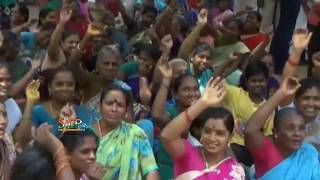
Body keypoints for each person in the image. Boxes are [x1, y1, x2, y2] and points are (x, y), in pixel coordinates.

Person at [161, 77, 245, 179]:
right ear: (201, 132)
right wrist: (203, 102)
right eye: (207, 131)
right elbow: (167, 136)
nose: (212, 138)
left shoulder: (235, 171)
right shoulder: (187, 154)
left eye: (220, 133)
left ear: (230, 137)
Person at [244, 76, 320, 179]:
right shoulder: (267, 153)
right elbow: (250, 131)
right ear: (276, 132)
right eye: (290, 128)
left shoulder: (309, 153)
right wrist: (281, 93)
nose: (297, 133)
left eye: (301, 128)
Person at [92, 83, 159, 179]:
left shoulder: (135, 133)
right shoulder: (86, 130)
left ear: (126, 111)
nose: (114, 109)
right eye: (109, 103)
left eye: (119, 105)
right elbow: (64, 124)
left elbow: (150, 169)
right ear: (99, 106)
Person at [226, 61, 274, 167]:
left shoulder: (269, 107)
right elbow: (215, 81)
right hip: (235, 147)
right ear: (247, 82)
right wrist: (229, 62)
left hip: (255, 151)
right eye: (253, 81)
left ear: (267, 81)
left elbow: (268, 136)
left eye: (261, 81)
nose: (257, 84)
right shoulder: (236, 94)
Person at [32, 65, 92, 137]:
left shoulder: (84, 113)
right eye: (59, 84)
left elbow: (85, 141)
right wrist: (30, 102)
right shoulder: (38, 111)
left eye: (70, 84)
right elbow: (24, 140)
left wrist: (70, 124)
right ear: (50, 88)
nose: (65, 88)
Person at [294, 78, 320, 150]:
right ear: (295, 100)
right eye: (306, 98)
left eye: (316, 98)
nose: (311, 104)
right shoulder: (286, 120)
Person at [0, 101, 16, 180]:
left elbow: (60, 135)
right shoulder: (38, 111)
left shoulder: (7, 140)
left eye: (4, 115)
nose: (3, 121)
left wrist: (61, 120)